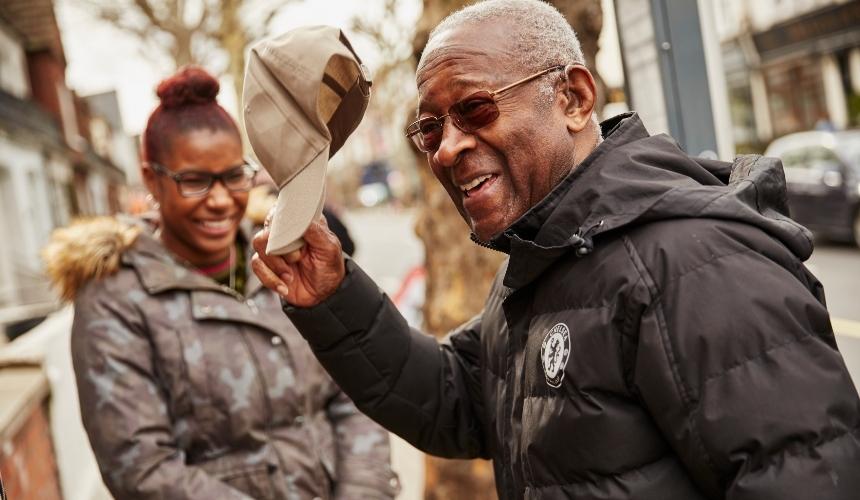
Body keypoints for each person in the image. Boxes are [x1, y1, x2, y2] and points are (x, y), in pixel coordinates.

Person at [251, 1, 860, 499]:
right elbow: (458, 399)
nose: (445, 148)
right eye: (430, 128)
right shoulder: (550, 253)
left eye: (474, 109)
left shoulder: (696, 265)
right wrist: (334, 296)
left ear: (572, 98)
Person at [43, 67, 398, 500]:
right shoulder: (116, 299)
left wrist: (364, 493)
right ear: (152, 180)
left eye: (233, 176)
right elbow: (141, 469)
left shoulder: (286, 258)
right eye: (194, 180)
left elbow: (353, 394)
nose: (219, 199)